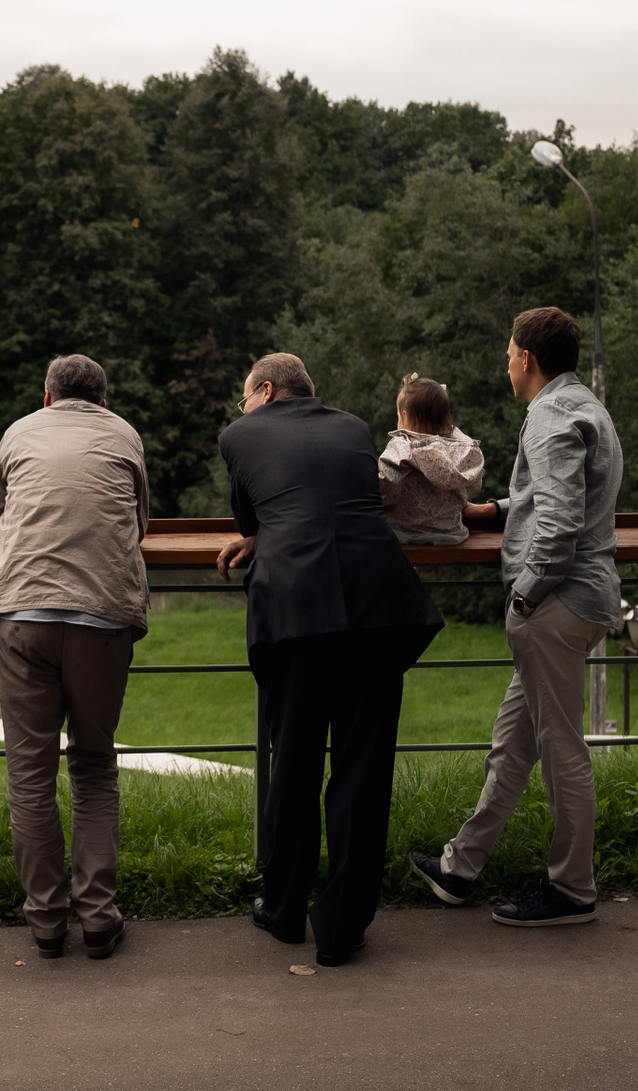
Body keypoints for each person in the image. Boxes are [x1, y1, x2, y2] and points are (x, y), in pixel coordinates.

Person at [216, 353, 442, 967]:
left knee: (294, 763)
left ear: (265, 390)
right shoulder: (353, 427)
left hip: (297, 608)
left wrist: (261, 533)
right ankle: (342, 929)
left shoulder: (239, 435)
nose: (242, 409)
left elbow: (253, 514)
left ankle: (284, 909)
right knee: (362, 771)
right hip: (379, 604)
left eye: (244, 397)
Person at [411, 307, 623, 927]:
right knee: (513, 745)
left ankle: (573, 891)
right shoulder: (584, 404)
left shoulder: (549, 417)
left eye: (508, 356)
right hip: (576, 601)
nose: (506, 366)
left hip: (555, 605)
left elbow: (560, 522)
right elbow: (560, 496)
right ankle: (460, 868)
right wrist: (496, 511)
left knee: (562, 753)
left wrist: (525, 596)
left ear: (527, 359)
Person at [0, 354, 150, 962]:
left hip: (22, 613)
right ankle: (98, 917)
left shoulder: (19, 431)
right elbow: (137, 524)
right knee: (94, 763)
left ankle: (46, 920)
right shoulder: (124, 435)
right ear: (103, 399)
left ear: (47, 397)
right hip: (102, 616)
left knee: (30, 773)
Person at [379, 373, 485, 544]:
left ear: (407, 416)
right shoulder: (463, 449)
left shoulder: (403, 446)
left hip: (404, 532)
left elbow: (385, 489)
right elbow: (474, 486)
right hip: (451, 532)